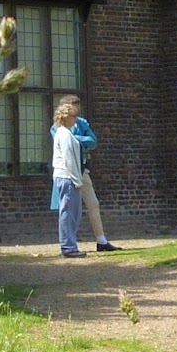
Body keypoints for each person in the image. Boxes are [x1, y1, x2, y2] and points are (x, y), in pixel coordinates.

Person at [66, 94, 121, 252]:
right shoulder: (57, 126)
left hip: (82, 170)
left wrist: (75, 138)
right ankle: (68, 243)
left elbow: (93, 141)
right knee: (68, 207)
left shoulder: (82, 123)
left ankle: (101, 240)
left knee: (93, 203)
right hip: (67, 171)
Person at [51, 96, 85, 258]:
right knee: (68, 212)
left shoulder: (65, 133)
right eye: (73, 116)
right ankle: (68, 246)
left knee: (73, 212)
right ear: (65, 117)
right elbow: (69, 158)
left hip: (67, 177)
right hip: (67, 177)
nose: (76, 119)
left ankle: (69, 244)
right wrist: (77, 180)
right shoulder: (64, 133)